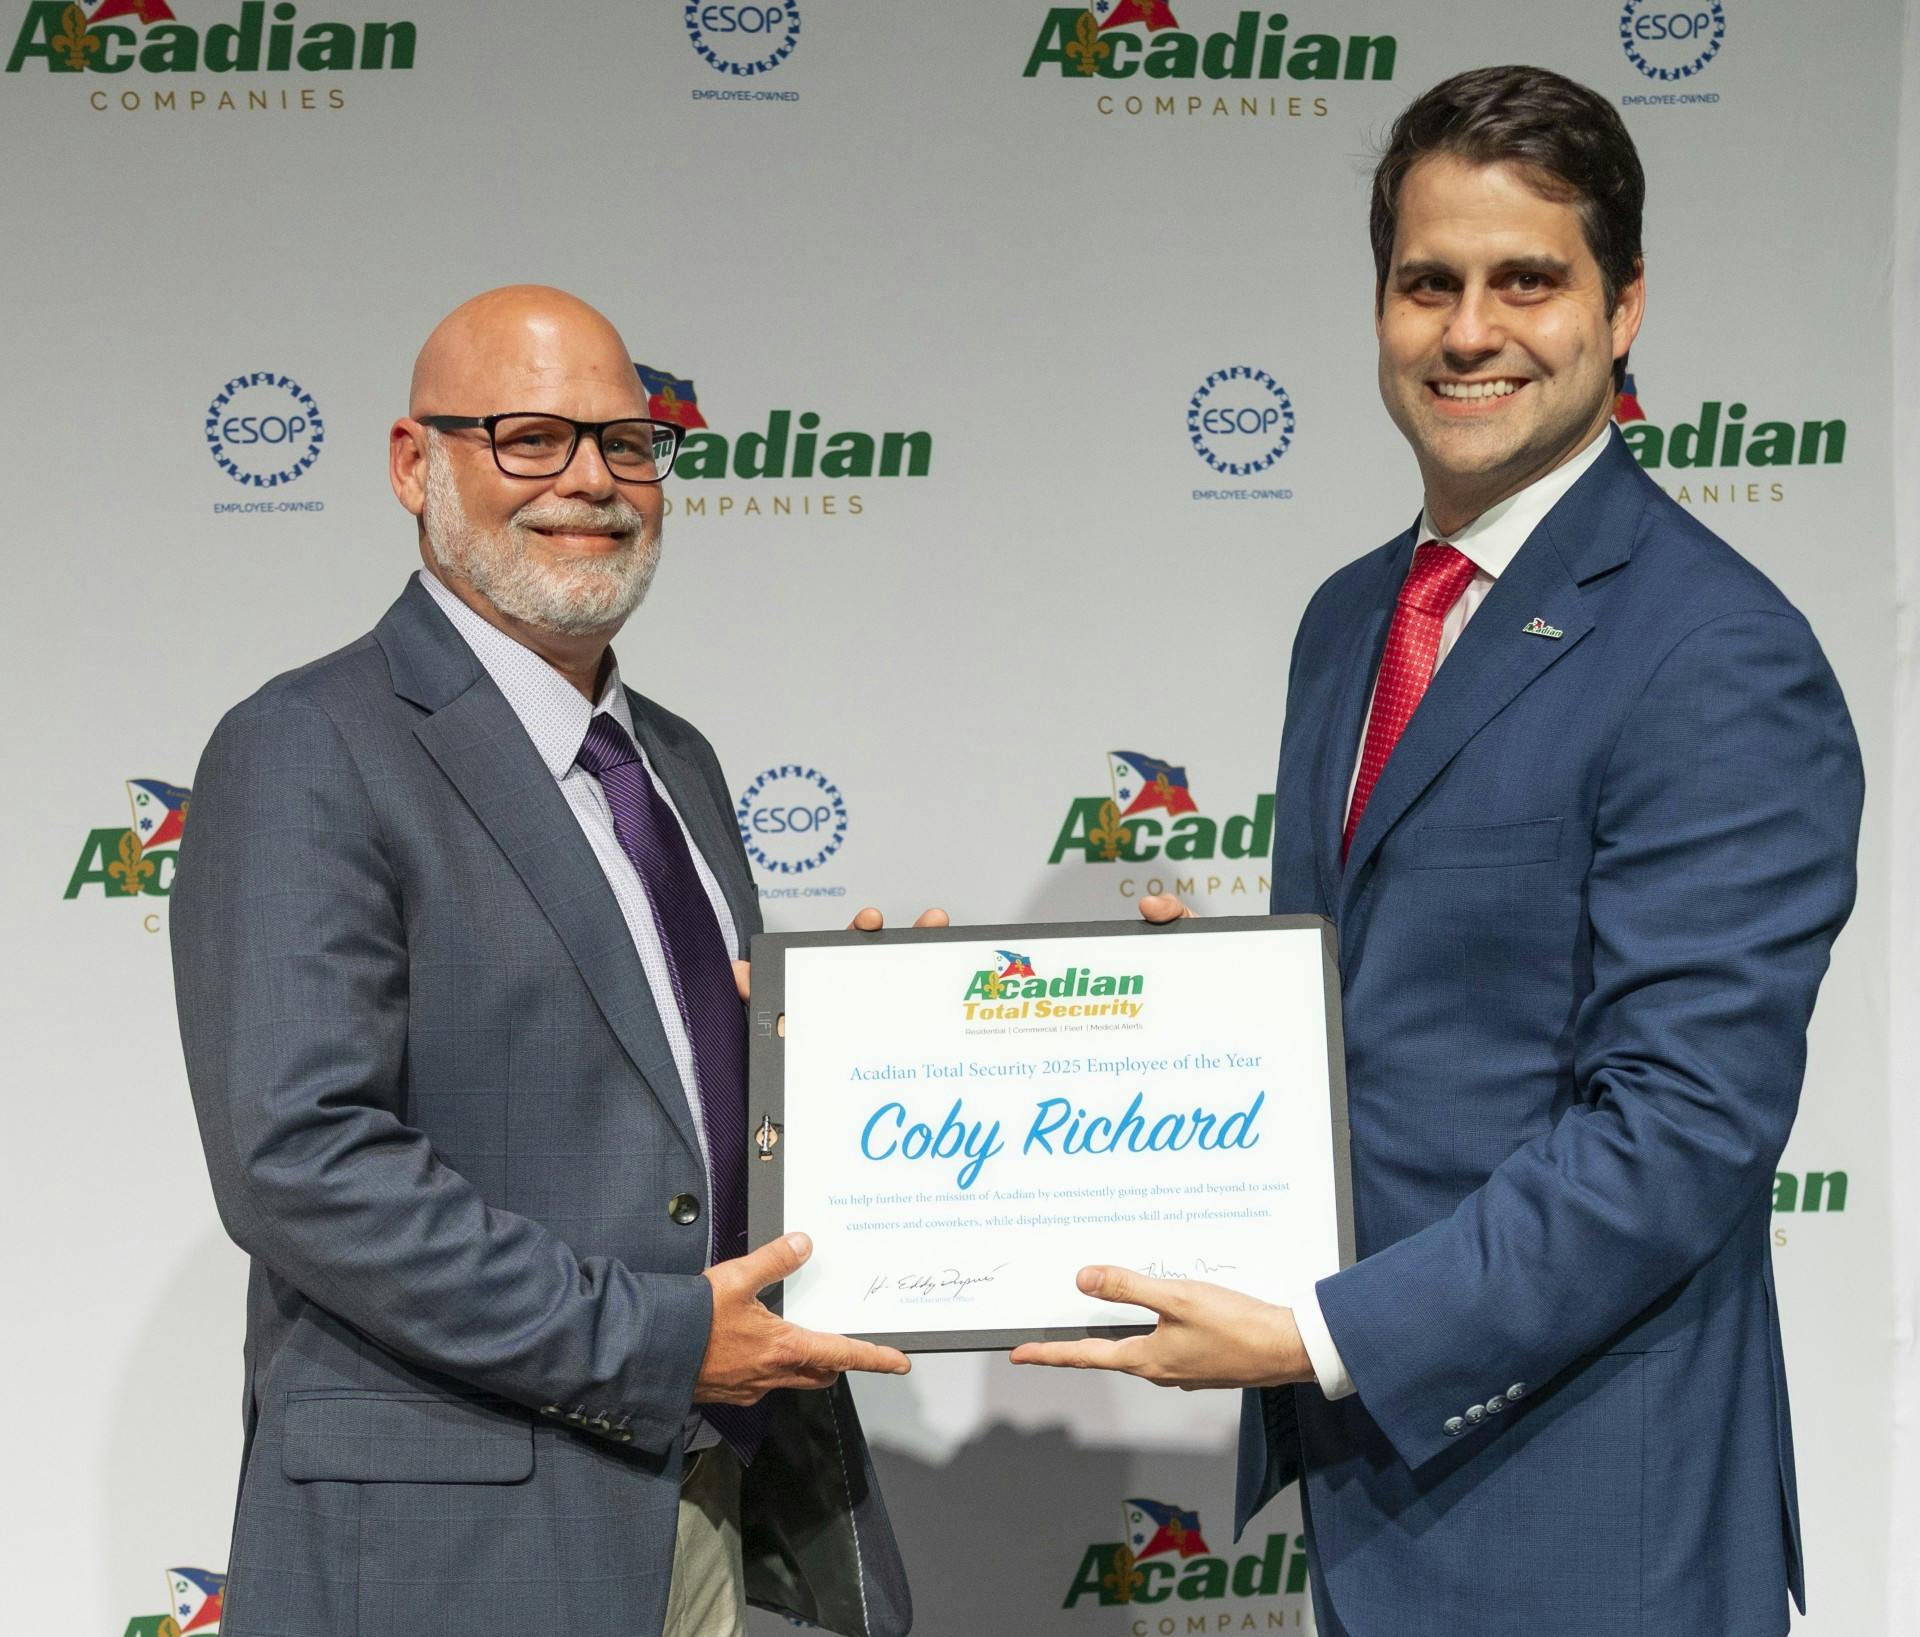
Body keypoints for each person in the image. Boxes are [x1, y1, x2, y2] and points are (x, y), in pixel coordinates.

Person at [1012, 66, 1862, 1637]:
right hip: (1384, 1490)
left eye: (1528, 279)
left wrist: (1323, 1335)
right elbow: (1402, 1010)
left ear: (1625, 308)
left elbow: (1678, 1130)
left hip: (1602, 1506)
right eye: (1428, 284)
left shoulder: (1718, 652)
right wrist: (1176, 1029)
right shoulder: (1353, 619)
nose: (1470, 330)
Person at [172, 285, 938, 1637]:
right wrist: (657, 1341)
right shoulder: (309, 745)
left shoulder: (676, 760)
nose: (593, 478)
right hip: (448, 1543)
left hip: (702, 1502)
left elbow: (679, 1124)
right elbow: (302, 1159)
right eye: (530, 435)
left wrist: (891, 1049)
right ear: (416, 463)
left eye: (629, 442)